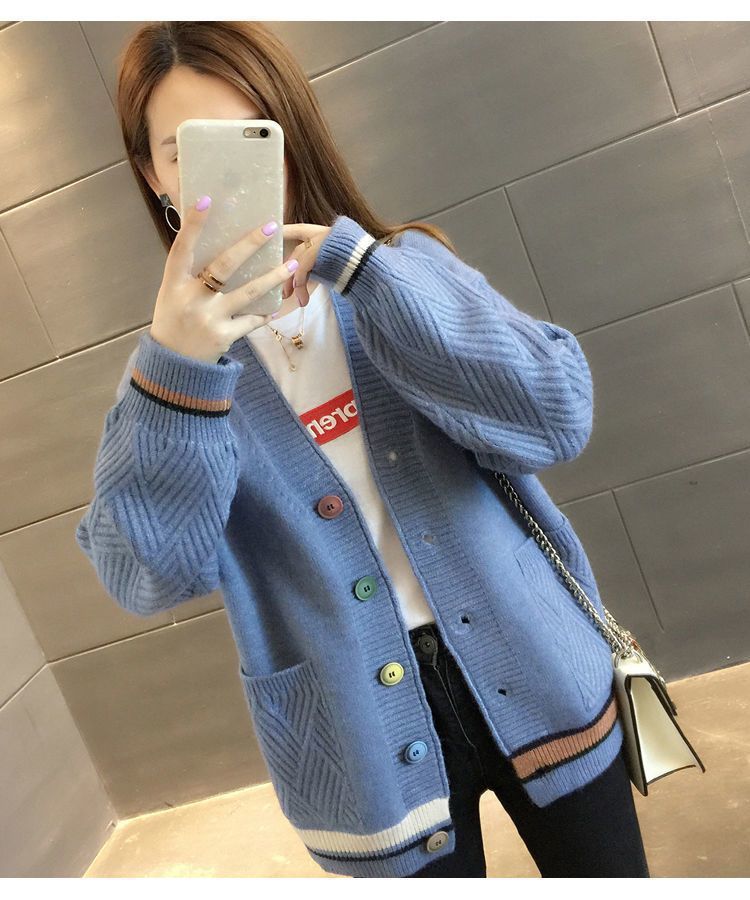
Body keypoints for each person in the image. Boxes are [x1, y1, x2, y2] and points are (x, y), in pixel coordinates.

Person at [75, 21, 650, 878]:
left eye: (251, 134)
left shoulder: (401, 271)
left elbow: (556, 416)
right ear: (153, 174)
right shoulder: (169, 380)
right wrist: (178, 368)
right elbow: (144, 576)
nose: (225, 174)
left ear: (291, 132)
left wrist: (366, 270)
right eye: (186, 152)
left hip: (538, 666)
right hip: (358, 742)